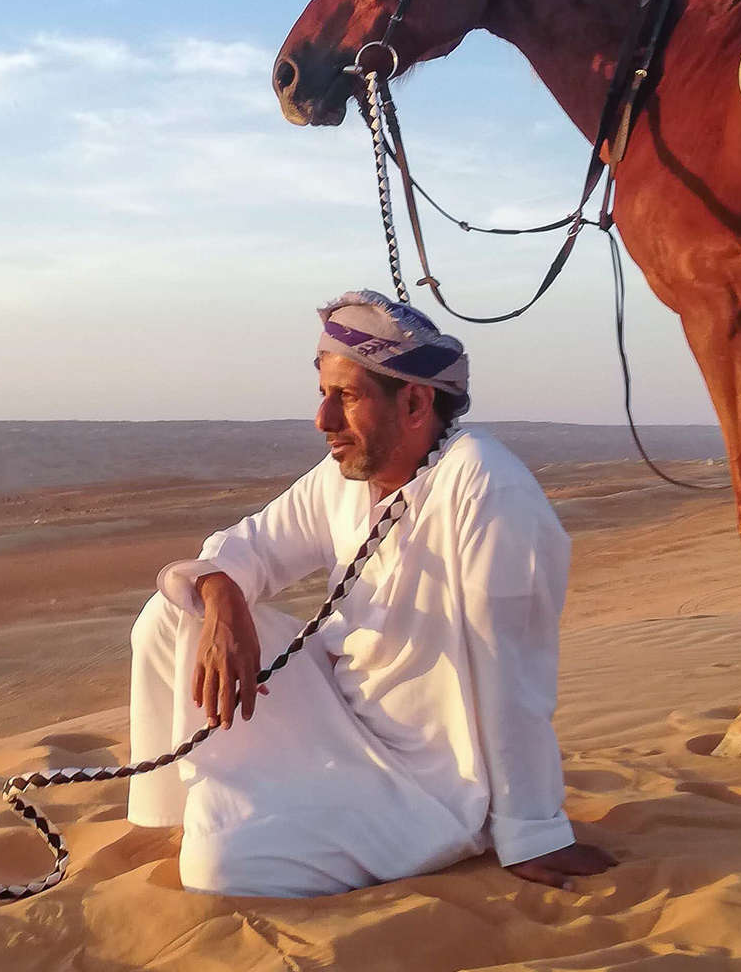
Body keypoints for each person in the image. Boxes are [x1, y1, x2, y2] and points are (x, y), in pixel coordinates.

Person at [127, 289, 616, 896]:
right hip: (340, 717)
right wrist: (224, 597)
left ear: (415, 402)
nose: (323, 421)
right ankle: (179, 812)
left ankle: (240, 831)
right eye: (323, 394)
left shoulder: (487, 487)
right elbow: (245, 546)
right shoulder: (343, 476)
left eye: (348, 398)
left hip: (427, 786)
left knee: (222, 870)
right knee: (171, 614)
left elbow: (514, 671)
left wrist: (533, 833)